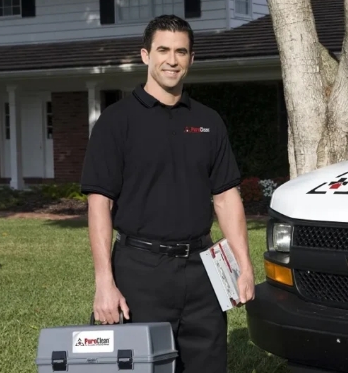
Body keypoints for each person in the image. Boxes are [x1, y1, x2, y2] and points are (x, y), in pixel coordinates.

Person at [79, 14, 255, 373]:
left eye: (181, 52)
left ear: (191, 59)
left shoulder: (209, 122)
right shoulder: (116, 122)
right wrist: (104, 283)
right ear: (145, 55)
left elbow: (225, 197)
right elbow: (100, 204)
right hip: (140, 271)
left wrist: (244, 266)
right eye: (163, 50)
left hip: (203, 269)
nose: (172, 60)